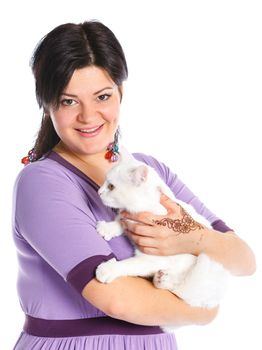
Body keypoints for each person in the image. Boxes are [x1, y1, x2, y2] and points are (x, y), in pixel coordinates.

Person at [12, 20, 256, 350]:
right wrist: (205, 311)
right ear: (47, 103)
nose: (88, 116)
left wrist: (189, 237)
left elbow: (243, 260)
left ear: (120, 93)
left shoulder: (148, 170)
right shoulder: (42, 182)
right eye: (69, 101)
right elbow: (116, 298)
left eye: (102, 96)